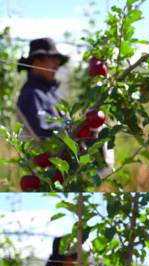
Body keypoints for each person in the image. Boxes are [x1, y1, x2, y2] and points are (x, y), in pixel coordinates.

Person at [16, 38, 114, 177]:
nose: (57, 64)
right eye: (53, 59)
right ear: (36, 62)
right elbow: (44, 135)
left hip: (64, 168)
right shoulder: (30, 95)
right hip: (47, 175)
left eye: (58, 60)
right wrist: (79, 127)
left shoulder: (50, 93)